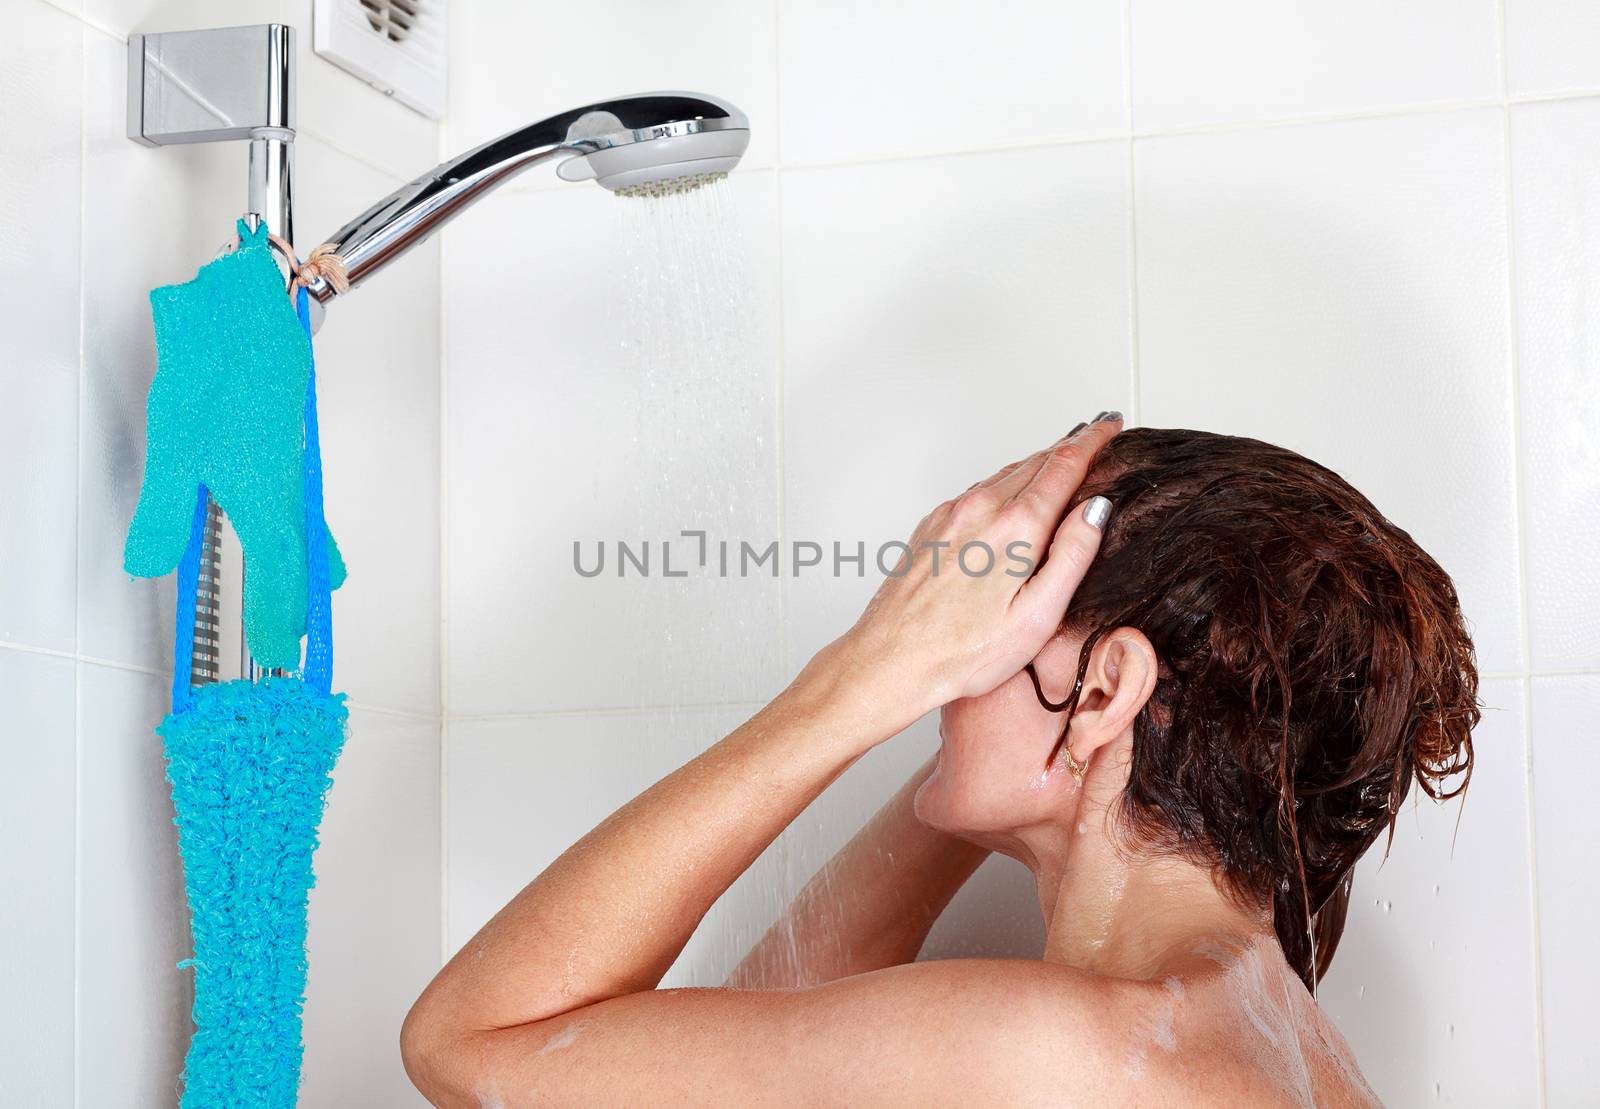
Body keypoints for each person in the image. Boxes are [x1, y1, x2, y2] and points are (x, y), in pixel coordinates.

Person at [400, 415, 1478, 1107]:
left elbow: (469, 1044)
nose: (939, 633)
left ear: (1103, 690)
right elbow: (766, 1017)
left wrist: (860, 676)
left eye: (984, 603)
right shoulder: (1272, 1032)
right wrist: (983, 742)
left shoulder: (1059, 1051)